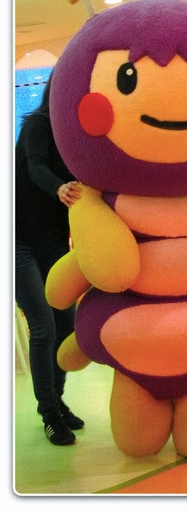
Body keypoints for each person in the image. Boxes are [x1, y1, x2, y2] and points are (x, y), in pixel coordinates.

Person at [15, 73, 84, 445]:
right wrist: (59, 187)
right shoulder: (37, 126)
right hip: (18, 241)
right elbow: (35, 166)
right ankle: (50, 414)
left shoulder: (75, 136)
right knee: (42, 326)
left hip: (54, 241)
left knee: (66, 324)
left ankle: (57, 400)